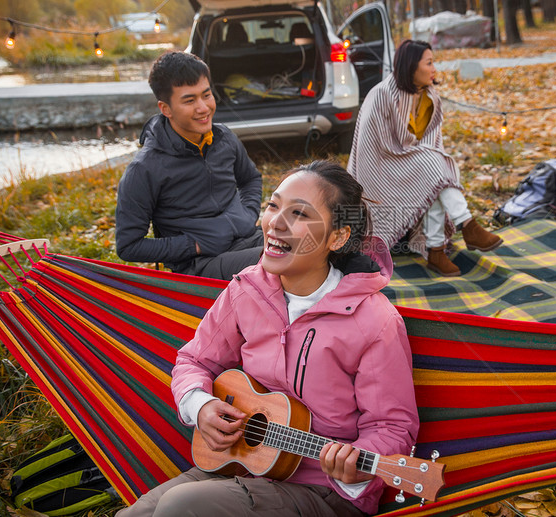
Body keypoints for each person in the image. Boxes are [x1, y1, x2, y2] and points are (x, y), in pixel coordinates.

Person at [117, 160, 419, 517]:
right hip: (238, 464)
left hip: (322, 492)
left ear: (336, 237)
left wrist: (354, 468)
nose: (275, 222)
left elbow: (391, 425)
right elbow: (195, 360)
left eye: (299, 213)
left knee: (179, 508)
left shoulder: (375, 320)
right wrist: (201, 406)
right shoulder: (248, 288)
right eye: (273, 205)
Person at [348, 39, 503, 277]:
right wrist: (425, 160)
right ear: (411, 66)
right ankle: (466, 226)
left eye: (434, 63)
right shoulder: (381, 96)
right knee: (435, 167)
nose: (434, 70)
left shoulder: (431, 98)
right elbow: (374, 149)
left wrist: (426, 160)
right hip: (380, 170)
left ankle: (436, 250)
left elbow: (433, 144)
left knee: (438, 172)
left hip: (414, 166)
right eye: (429, 63)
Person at [115, 51, 263, 280]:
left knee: (318, 243)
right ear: (166, 109)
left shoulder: (224, 138)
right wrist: (193, 245)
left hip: (247, 239)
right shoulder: (144, 169)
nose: (203, 107)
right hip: (201, 265)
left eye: (206, 95)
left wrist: (248, 214)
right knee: (290, 260)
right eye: (189, 100)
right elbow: (129, 246)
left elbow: (250, 179)